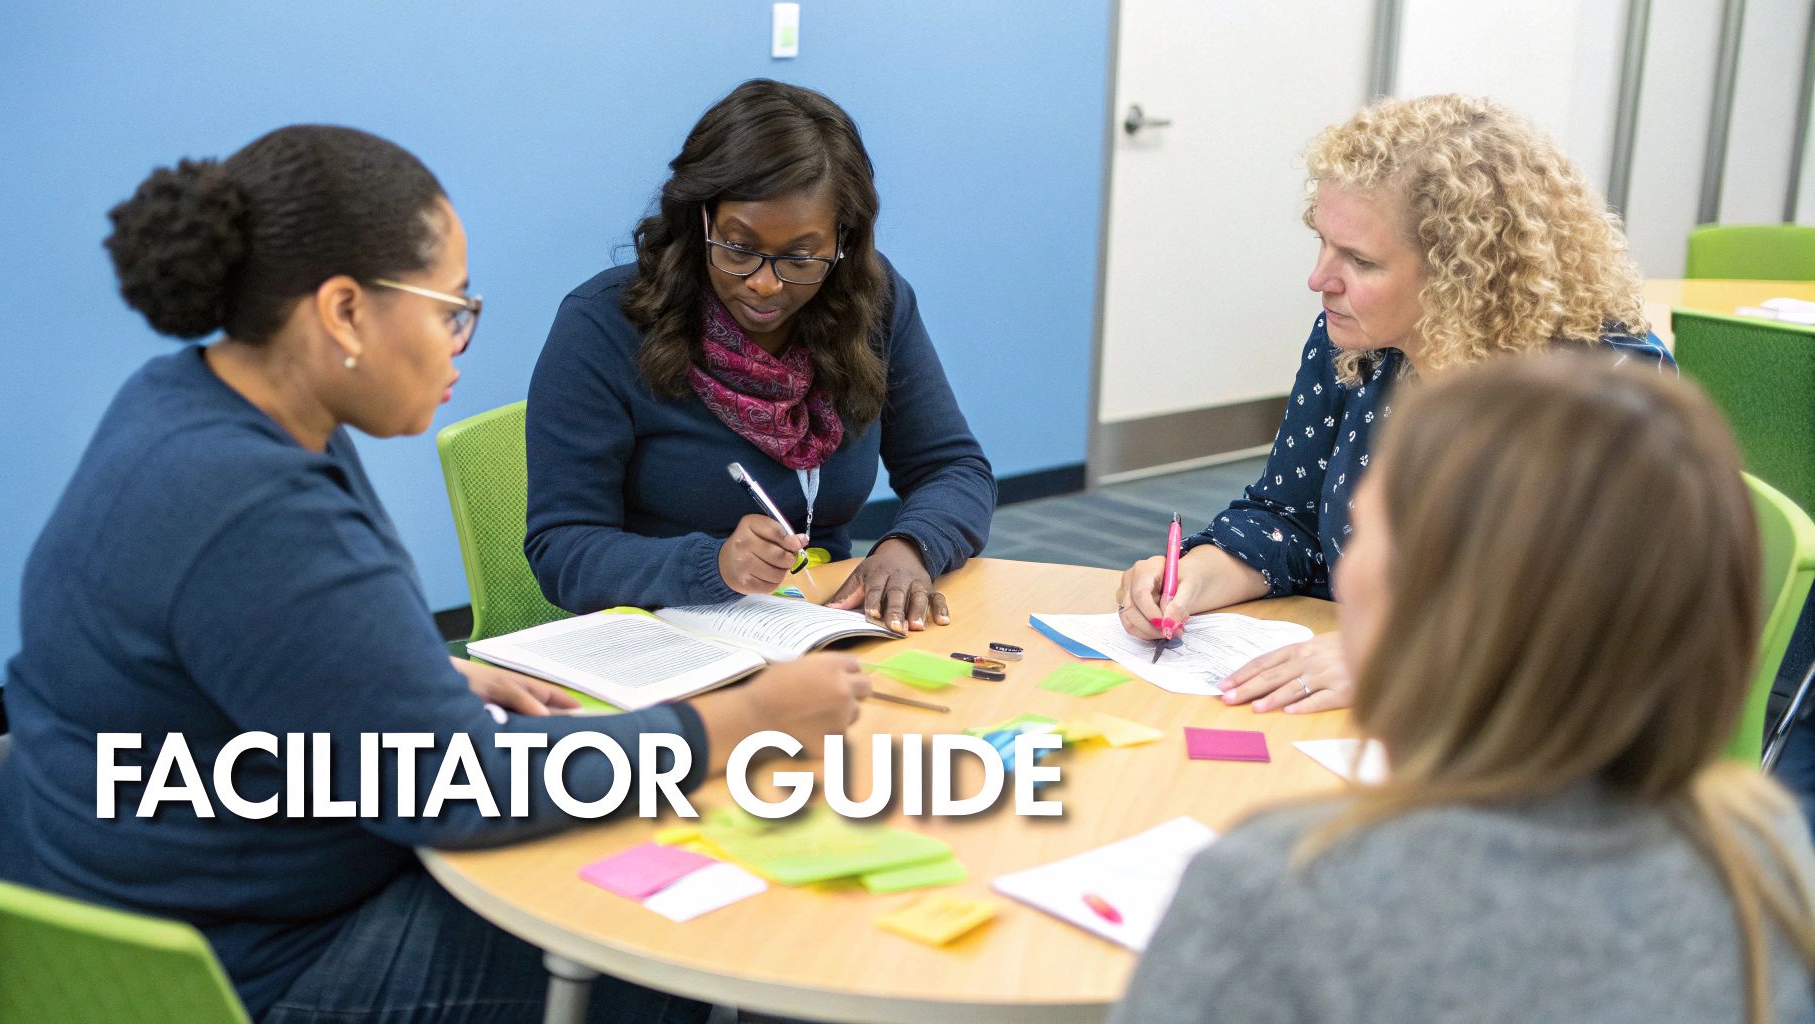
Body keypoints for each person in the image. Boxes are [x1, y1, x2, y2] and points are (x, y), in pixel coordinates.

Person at [0, 125, 869, 1023]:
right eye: (449, 307)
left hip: (121, 889)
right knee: (663, 935)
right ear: (343, 313)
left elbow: (223, 643)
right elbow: (465, 789)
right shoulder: (261, 507)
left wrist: (421, 670)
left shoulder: (185, 399)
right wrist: (748, 718)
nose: (461, 338)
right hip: (235, 968)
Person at [1113, 351, 1815, 1024]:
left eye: (1374, 541)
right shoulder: (1767, 854)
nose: (1344, 571)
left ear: (1451, 611)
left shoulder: (1283, 890)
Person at [1116, 94, 1672, 713]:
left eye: (1359, 260)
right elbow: (1289, 519)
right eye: (1322, 241)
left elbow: (1597, 622)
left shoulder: (1603, 386)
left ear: (1463, 273)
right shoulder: (1360, 345)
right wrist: (1196, 576)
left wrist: (1407, 656)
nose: (1319, 278)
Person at [526, 79, 995, 634]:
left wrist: (909, 546)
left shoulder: (873, 303)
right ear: (701, 218)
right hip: (657, 635)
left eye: (800, 257)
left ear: (842, 242)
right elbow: (562, 547)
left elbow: (953, 468)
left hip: (817, 624)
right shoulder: (605, 323)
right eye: (739, 248)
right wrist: (714, 564)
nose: (766, 286)